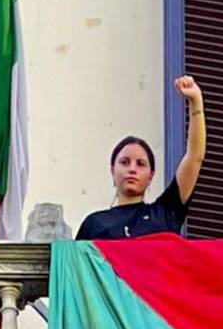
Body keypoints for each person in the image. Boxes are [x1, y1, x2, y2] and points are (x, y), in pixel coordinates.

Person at [76, 76, 206, 240]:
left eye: (140, 164)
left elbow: (195, 157)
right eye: (124, 162)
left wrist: (196, 102)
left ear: (151, 176)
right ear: (112, 170)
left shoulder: (164, 213)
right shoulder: (94, 224)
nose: (132, 169)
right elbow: (71, 258)